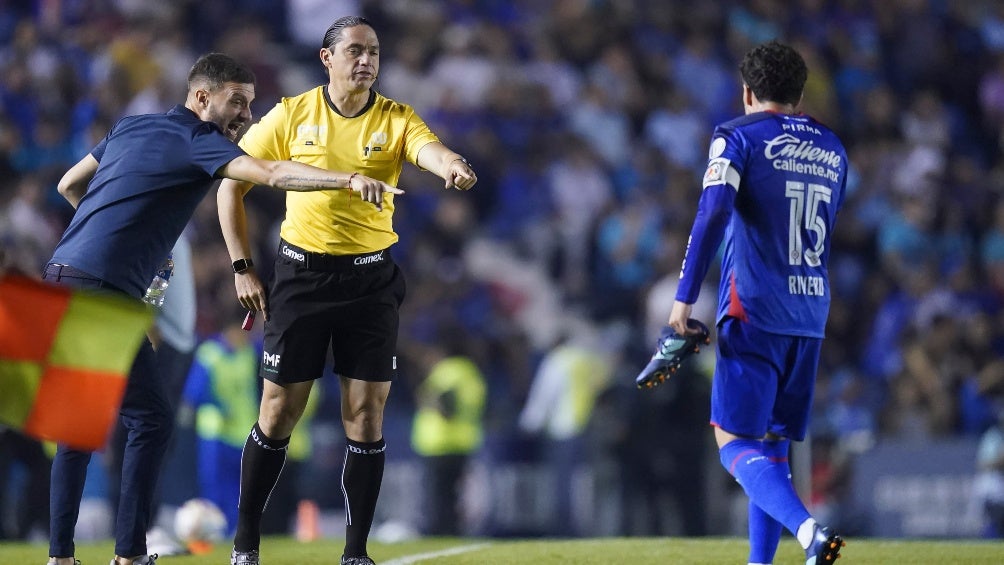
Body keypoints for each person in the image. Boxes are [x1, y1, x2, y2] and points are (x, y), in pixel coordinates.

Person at [43, 52, 401, 565]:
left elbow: (69, 185)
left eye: (250, 104)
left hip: (61, 278)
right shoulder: (197, 139)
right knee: (151, 419)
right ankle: (129, 554)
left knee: (80, 425)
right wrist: (345, 179)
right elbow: (271, 172)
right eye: (237, 101)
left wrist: (125, 240)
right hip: (102, 292)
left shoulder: (130, 126)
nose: (246, 115)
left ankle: (61, 556)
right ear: (201, 97)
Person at [216, 16, 477, 565]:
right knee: (278, 411)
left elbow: (429, 149)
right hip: (301, 278)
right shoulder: (292, 114)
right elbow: (231, 184)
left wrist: (451, 163)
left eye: (374, 52)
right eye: (355, 50)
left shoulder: (396, 117)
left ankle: (355, 552)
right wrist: (242, 266)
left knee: (365, 413)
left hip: (370, 281)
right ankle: (245, 545)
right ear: (326, 58)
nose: (366, 60)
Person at [665, 40, 848, 565]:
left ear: (747, 92)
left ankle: (809, 532)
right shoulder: (833, 147)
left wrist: (683, 300)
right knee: (771, 446)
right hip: (810, 311)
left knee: (733, 441)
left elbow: (712, 214)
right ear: (800, 94)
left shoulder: (737, 137)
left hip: (755, 308)